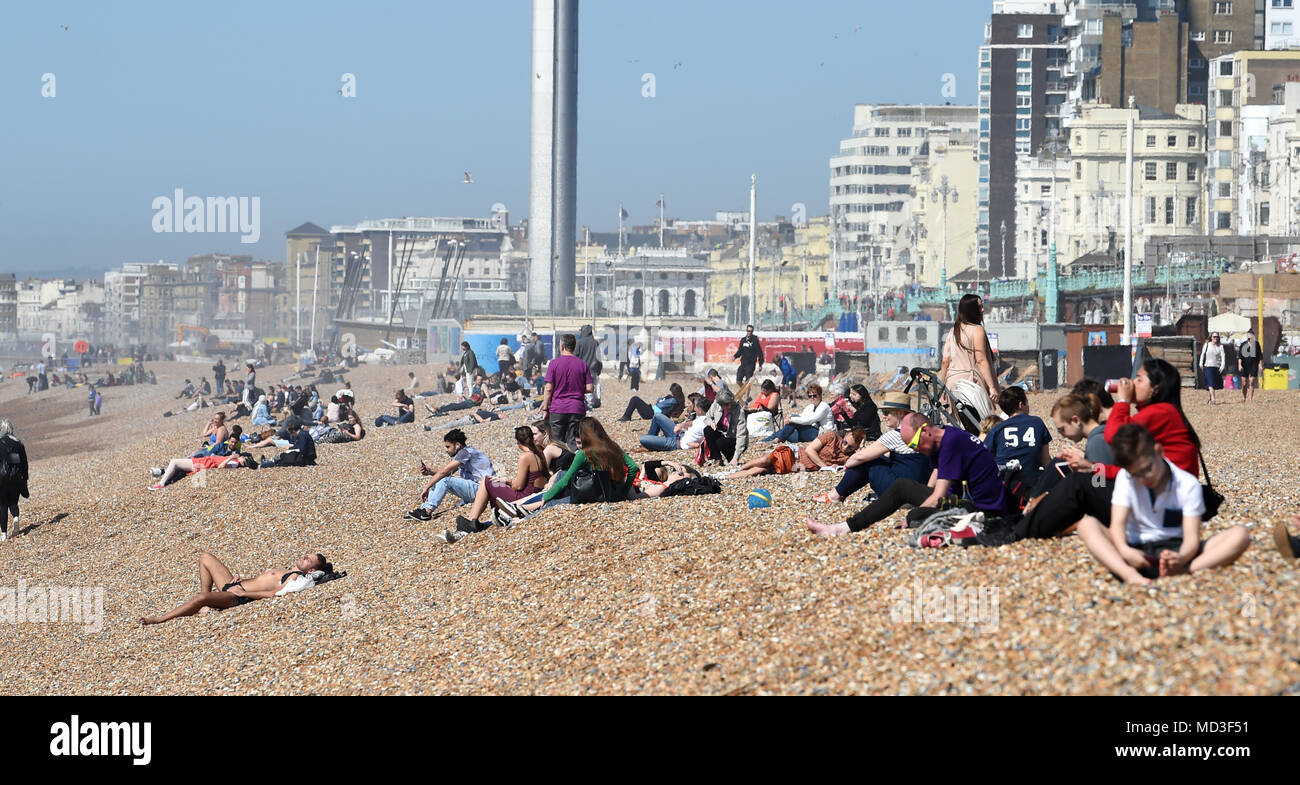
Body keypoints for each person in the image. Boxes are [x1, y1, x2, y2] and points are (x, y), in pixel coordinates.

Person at [1013, 359, 1202, 540]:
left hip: (1164, 502)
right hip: (1160, 498)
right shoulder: (1159, 413)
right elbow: (1132, 471)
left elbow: (1114, 441)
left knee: (1078, 482)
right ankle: (1026, 524)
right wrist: (1092, 467)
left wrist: (1122, 401)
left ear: (1155, 388)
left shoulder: (1161, 412)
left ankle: (1021, 531)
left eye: (1139, 379)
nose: (1131, 383)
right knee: (1071, 474)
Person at [1075, 424, 1248, 585]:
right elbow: (1117, 525)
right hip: (1136, 549)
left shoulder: (1187, 484)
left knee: (1240, 535)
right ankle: (1129, 575)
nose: (1144, 477)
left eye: (1147, 468)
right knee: (1087, 525)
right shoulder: (1126, 478)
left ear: (1158, 451)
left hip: (1177, 549)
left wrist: (1180, 558)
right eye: (1136, 474)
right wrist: (1125, 550)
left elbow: (1191, 538)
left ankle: (1186, 571)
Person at [805, 412, 1013, 537]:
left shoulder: (950, 444)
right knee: (906, 490)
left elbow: (938, 495)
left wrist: (916, 514)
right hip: (967, 501)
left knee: (904, 490)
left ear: (925, 431)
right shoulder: (943, 439)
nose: (916, 450)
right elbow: (937, 485)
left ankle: (841, 529)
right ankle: (844, 526)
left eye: (914, 444)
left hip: (983, 511)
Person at [140, 551, 335, 625]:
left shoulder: (295, 577)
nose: (304, 557)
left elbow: (272, 593)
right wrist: (240, 581)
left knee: (201, 597)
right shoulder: (286, 569)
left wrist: (244, 593)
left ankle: (159, 619)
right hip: (235, 586)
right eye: (306, 554)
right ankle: (205, 606)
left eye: (308, 559)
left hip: (238, 597)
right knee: (205, 557)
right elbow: (261, 581)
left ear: (311, 569)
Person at [814, 391, 932, 504]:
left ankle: (834, 496)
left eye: (886, 412)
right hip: (920, 488)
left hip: (901, 492)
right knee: (880, 458)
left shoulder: (896, 434)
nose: (883, 416)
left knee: (866, 460)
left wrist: (847, 465)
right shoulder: (921, 431)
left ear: (900, 413)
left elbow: (859, 457)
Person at [438, 426, 552, 543]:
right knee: (493, 482)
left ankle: (471, 521)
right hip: (533, 494)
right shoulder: (539, 454)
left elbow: (518, 486)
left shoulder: (525, 457)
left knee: (486, 481)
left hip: (524, 497)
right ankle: (476, 522)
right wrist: (504, 481)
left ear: (518, 441)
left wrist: (507, 482)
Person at [405, 429, 494, 521]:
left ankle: (426, 512)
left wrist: (426, 487)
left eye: (448, 447)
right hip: (480, 490)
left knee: (444, 480)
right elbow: (446, 473)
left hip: (482, 490)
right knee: (442, 478)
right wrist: (430, 472)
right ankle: (424, 509)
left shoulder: (465, 453)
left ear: (458, 445)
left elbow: (444, 472)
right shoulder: (466, 453)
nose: (446, 450)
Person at [939, 294, 999, 422]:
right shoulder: (977, 330)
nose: (983, 309)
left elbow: (945, 362)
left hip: (952, 383)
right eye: (980, 307)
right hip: (972, 383)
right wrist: (992, 386)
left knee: (958, 423)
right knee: (980, 423)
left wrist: (942, 387)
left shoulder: (953, 331)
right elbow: (981, 360)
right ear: (971, 310)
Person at [732, 428, 866, 478]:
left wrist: (860, 449)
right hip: (794, 453)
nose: (845, 447)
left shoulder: (848, 457)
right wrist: (824, 466)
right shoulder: (832, 436)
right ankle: (736, 470)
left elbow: (861, 460)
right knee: (764, 461)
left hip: (794, 467)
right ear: (845, 436)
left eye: (850, 447)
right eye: (845, 442)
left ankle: (726, 477)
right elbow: (810, 449)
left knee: (757, 471)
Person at [983, 387, 1052, 483]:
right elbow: (1046, 461)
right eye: (1027, 402)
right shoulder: (1037, 422)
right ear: (1021, 405)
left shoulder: (998, 429)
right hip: (1031, 482)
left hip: (1004, 483)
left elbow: (984, 457)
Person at [540, 333, 593, 450]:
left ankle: (558, 466)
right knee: (574, 441)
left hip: (558, 407)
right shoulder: (582, 364)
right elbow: (590, 388)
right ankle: (573, 466)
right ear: (574, 347)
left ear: (562, 346)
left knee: (556, 442)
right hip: (577, 408)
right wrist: (577, 388)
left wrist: (545, 408)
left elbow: (548, 388)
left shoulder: (554, 363)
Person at [148, 452, 257, 490]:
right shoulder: (235, 461)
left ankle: (161, 484)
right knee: (176, 464)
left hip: (204, 463)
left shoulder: (235, 463)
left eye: (244, 458)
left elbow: (221, 467)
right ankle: (160, 473)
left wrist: (230, 458)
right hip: (204, 461)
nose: (241, 457)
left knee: (174, 462)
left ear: (244, 462)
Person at [767, 384, 833, 443]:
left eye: (814, 395)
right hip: (811, 432)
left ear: (820, 395)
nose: (812, 397)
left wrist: (791, 419)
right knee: (787, 432)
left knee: (792, 422)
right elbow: (802, 416)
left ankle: (778, 439)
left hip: (821, 434)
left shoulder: (824, 406)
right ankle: (767, 440)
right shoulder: (811, 406)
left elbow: (810, 420)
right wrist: (790, 417)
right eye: (810, 396)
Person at [699, 389, 749, 466]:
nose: (726, 407)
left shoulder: (739, 411)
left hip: (734, 438)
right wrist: (711, 423)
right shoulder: (716, 404)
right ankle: (717, 459)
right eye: (723, 405)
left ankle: (732, 458)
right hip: (723, 433)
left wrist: (736, 457)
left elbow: (741, 435)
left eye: (728, 404)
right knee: (708, 430)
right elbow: (707, 417)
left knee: (720, 442)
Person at [0, 420, 29, 543]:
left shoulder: (0, 442)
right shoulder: (18, 444)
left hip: (2, 478)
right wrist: (25, 479)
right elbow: (24, 463)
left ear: (3, 429)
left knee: (2, 505)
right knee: (13, 502)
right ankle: (16, 517)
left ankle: (4, 534)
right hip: (16, 478)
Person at [1200, 332, 1225, 404]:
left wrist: (1222, 366)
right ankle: (1214, 399)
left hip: (1216, 366)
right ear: (1211, 337)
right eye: (1214, 337)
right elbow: (1202, 354)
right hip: (1208, 366)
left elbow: (1223, 357)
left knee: (1213, 383)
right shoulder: (1207, 345)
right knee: (1210, 382)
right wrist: (1200, 363)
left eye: (1217, 337)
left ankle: (1210, 398)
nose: (1215, 338)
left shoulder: (1220, 346)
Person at [1237, 331, 1262, 402]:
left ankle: (1250, 399)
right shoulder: (1243, 345)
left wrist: (1260, 365)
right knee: (1244, 383)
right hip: (1244, 366)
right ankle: (1244, 397)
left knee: (1251, 382)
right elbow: (1240, 357)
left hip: (1253, 365)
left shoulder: (1256, 344)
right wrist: (1239, 365)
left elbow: (1260, 356)